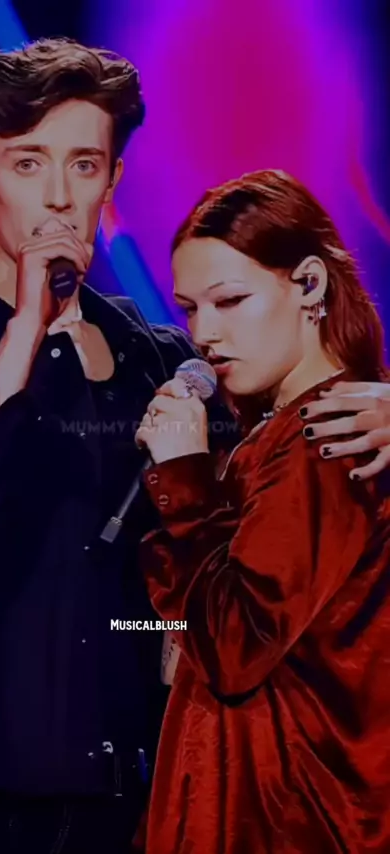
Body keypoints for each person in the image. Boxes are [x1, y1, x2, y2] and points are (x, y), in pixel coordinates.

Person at [0, 37, 236, 854]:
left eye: (83, 165)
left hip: (167, 794)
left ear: (111, 180)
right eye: (28, 164)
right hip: (11, 810)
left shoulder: (157, 355)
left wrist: (374, 406)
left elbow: (267, 503)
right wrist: (27, 327)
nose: (58, 197)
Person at [135, 169, 390, 853]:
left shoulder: (327, 437)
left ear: (309, 284)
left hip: (282, 818)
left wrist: (185, 483)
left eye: (229, 301)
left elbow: (235, 647)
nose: (204, 334)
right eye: (190, 309)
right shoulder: (274, 435)